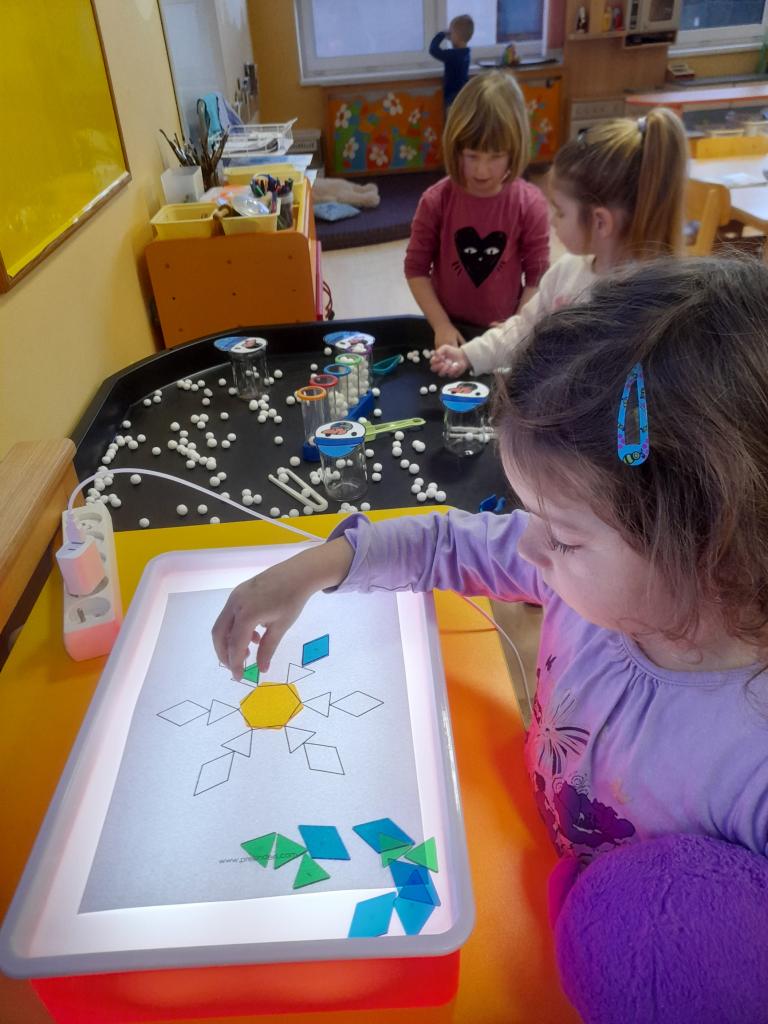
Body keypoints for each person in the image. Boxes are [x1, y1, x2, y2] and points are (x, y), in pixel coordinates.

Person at [213, 257, 768, 881]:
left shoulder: (753, 771)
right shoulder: (596, 583)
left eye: (563, 536)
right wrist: (320, 565)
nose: (526, 548)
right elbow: (451, 543)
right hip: (514, 849)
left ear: (706, 550)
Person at [430, 106, 687, 378]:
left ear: (600, 222)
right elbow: (524, 329)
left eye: (561, 212)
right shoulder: (566, 272)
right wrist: (469, 355)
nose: (552, 221)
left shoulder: (650, 304)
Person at [405, 71, 550, 349]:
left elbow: (538, 276)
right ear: (455, 149)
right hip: (450, 330)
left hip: (503, 333)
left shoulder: (530, 204)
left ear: (514, 151)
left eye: (496, 157)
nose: (482, 171)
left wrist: (517, 326)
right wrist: (441, 324)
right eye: (472, 156)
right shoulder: (436, 200)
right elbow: (416, 269)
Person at [429, 14, 474, 108]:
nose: (449, 35)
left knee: (451, 116)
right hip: (463, 95)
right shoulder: (466, 53)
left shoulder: (453, 55)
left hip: (453, 97)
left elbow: (433, 50)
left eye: (451, 33)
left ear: (456, 36)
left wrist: (441, 34)